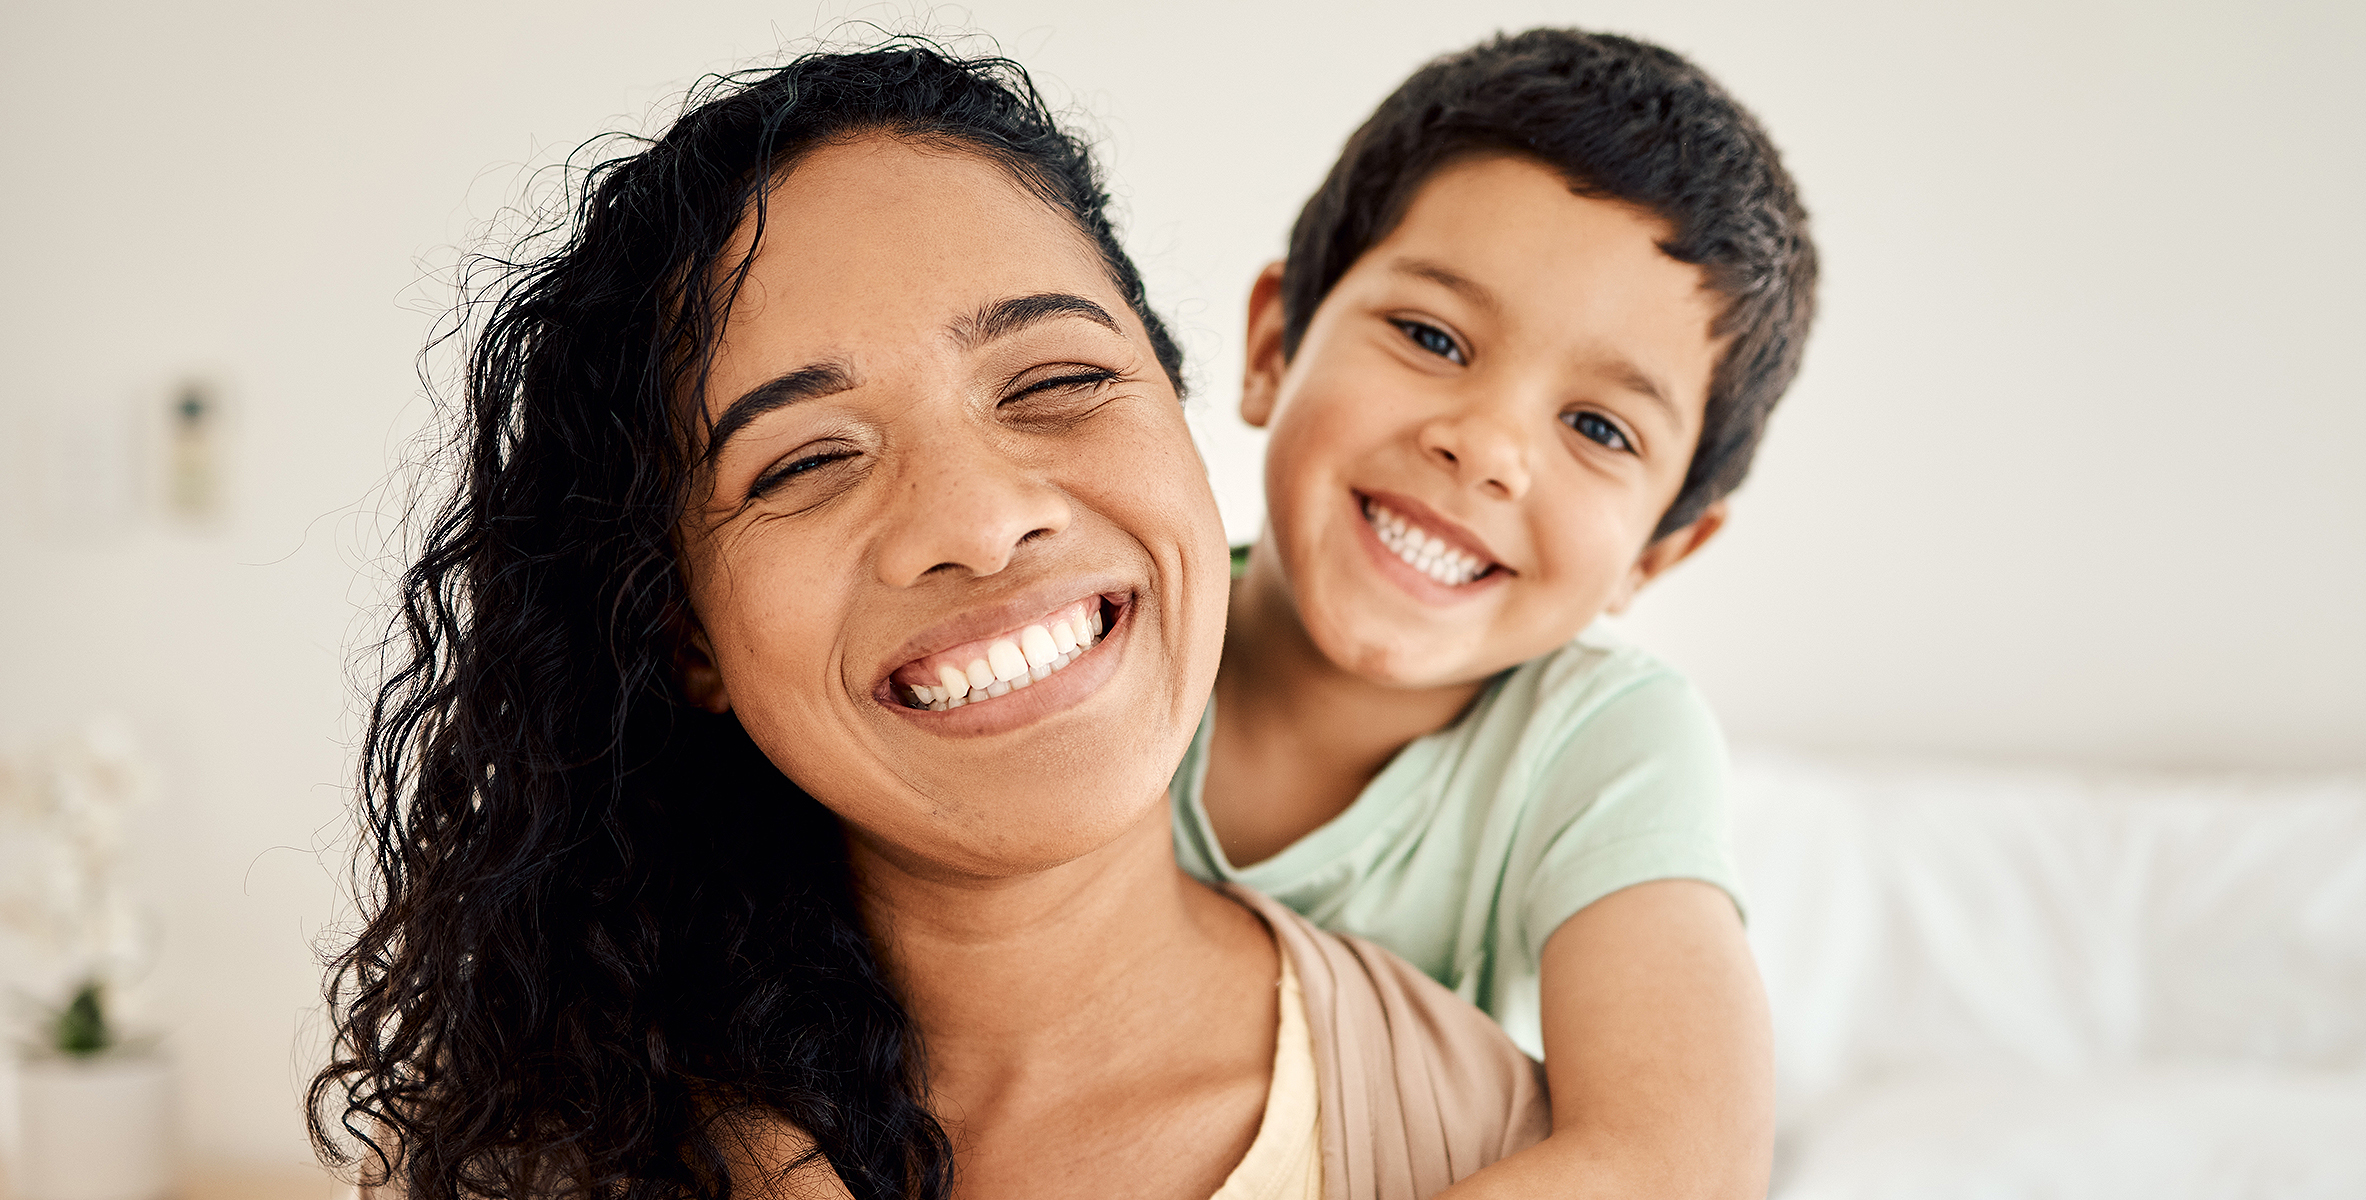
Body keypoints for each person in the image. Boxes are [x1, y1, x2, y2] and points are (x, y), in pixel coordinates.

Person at [311, 43, 1544, 1200]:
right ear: (688, 638)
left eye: (1057, 380)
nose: (978, 517)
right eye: (802, 462)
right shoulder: (516, 1151)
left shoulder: (1490, 1132)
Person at [1178, 29, 1817, 1198]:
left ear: (1662, 551)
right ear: (1275, 343)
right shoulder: (1109, 632)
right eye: (1432, 338)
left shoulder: (1599, 742)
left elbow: (1676, 1162)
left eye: (1600, 428)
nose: (1486, 448)